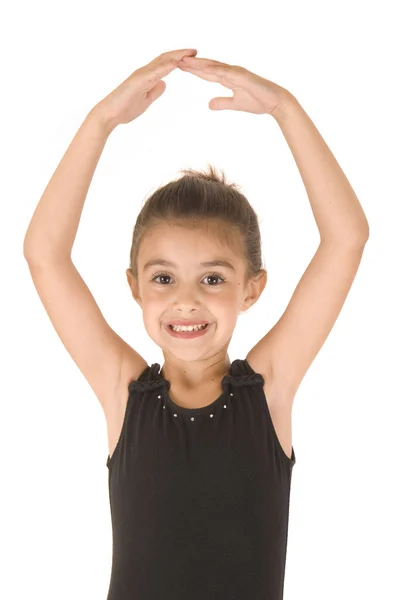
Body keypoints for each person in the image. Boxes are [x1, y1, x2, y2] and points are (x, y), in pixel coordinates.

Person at [23, 48, 369, 600]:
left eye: (212, 279)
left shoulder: (269, 389)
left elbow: (346, 238)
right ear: (134, 285)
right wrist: (100, 123)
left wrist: (285, 108)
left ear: (250, 288)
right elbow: (44, 254)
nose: (185, 302)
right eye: (163, 279)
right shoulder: (125, 393)